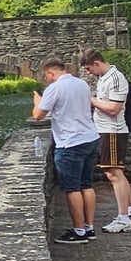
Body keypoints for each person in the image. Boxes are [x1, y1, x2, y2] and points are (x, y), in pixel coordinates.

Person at [32, 56, 99, 242]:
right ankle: (89, 227)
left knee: (72, 188)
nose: (47, 80)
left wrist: (37, 101)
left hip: (70, 143)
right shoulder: (82, 84)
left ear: (50, 72)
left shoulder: (55, 88)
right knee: (86, 184)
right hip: (90, 138)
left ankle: (79, 231)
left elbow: (38, 116)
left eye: (47, 77)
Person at [81, 50, 131, 234]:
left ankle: (123, 218)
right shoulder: (103, 78)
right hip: (105, 130)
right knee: (115, 173)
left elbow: (114, 108)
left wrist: (92, 101)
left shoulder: (115, 78)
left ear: (97, 63)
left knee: (114, 174)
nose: (88, 72)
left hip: (113, 131)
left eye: (89, 68)